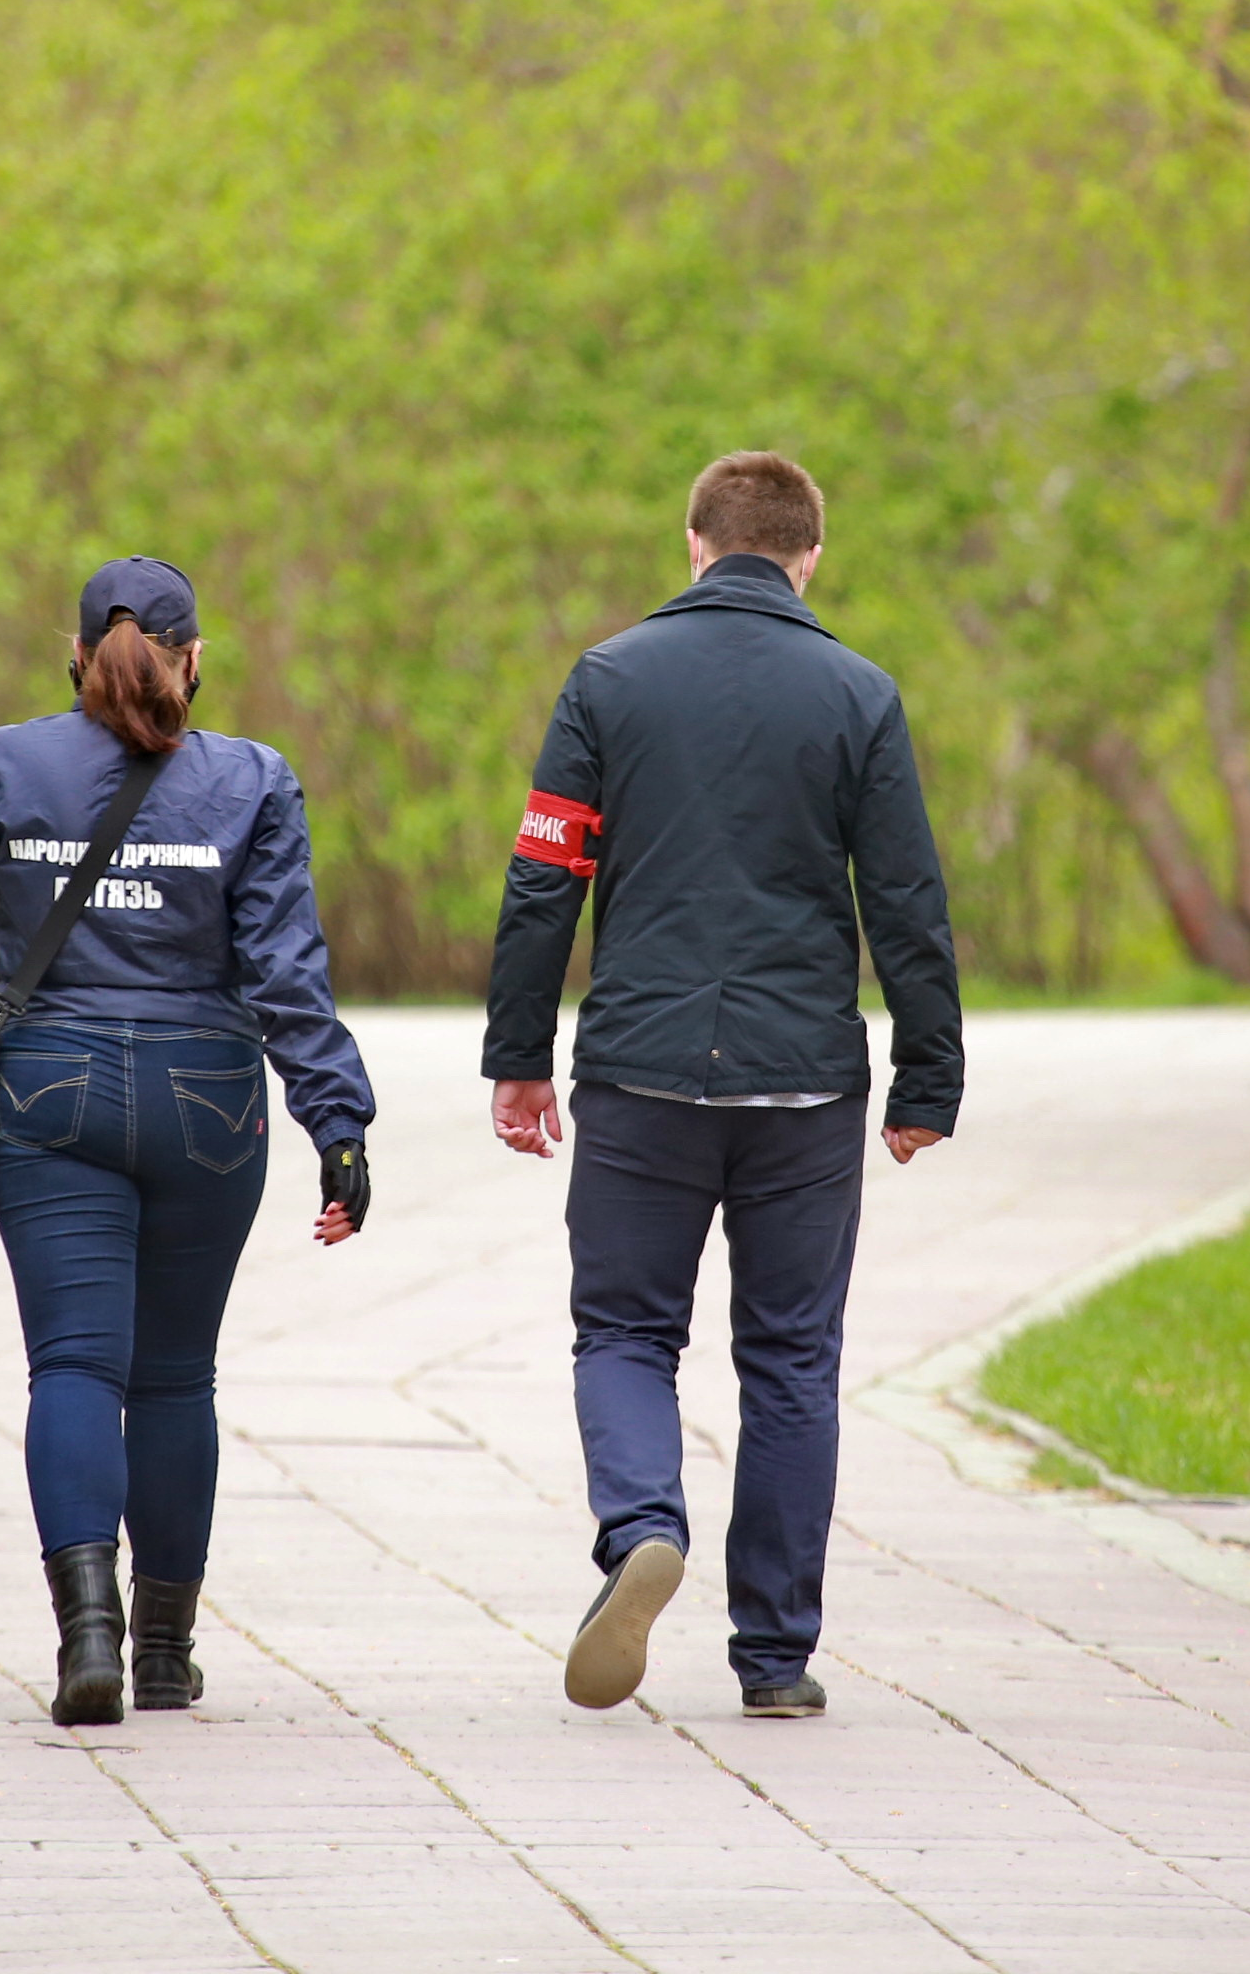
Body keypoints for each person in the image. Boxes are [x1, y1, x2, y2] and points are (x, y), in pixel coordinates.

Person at [484, 451, 962, 1720]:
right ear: (810, 554)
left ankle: (644, 1524)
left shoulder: (610, 678)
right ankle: (776, 1656)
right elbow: (907, 898)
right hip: (803, 1082)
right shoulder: (860, 693)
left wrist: (520, 1056)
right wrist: (929, 1073)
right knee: (793, 1358)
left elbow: (548, 877)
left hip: (640, 1070)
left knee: (628, 1331)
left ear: (693, 542)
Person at [0, 555, 376, 1727]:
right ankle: (167, 1655)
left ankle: (90, 1640)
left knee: (74, 1364)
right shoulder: (254, 780)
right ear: (194, 659)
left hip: (53, 1088)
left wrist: (5, 898)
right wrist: (339, 1123)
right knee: (175, 1377)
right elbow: (283, 969)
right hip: (208, 1097)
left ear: (74, 656)